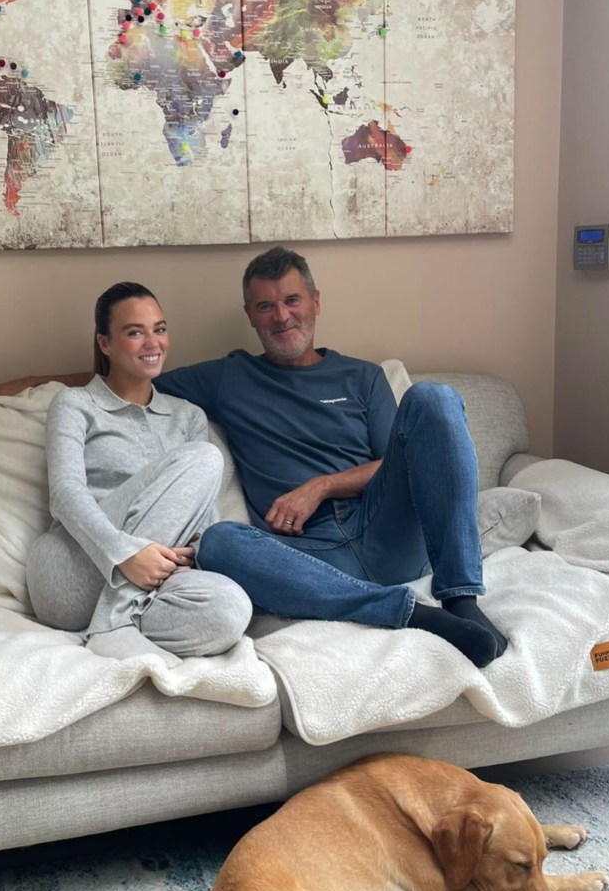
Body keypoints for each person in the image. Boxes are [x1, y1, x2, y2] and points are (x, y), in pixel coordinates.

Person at [155, 247, 508, 668]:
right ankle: (412, 613)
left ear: (315, 302)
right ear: (249, 314)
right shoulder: (229, 377)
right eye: (266, 306)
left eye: (292, 300)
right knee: (219, 543)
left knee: (433, 398)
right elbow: (134, 383)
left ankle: (461, 601)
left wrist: (319, 487)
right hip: (309, 558)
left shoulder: (363, 377)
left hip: (387, 532)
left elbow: (400, 459)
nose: (281, 317)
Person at [25, 282, 252, 662]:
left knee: (232, 609)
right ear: (105, 343)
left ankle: (119, 621)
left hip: (153, 579)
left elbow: (201, 510)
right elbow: (64, 495)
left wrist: (192, 553)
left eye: (159, 329)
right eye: (135, 332)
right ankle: (110, 624)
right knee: (206, 458)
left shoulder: (187, 415)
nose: (153, 342)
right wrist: (124, 553)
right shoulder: (75, 404)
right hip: (71, 570)